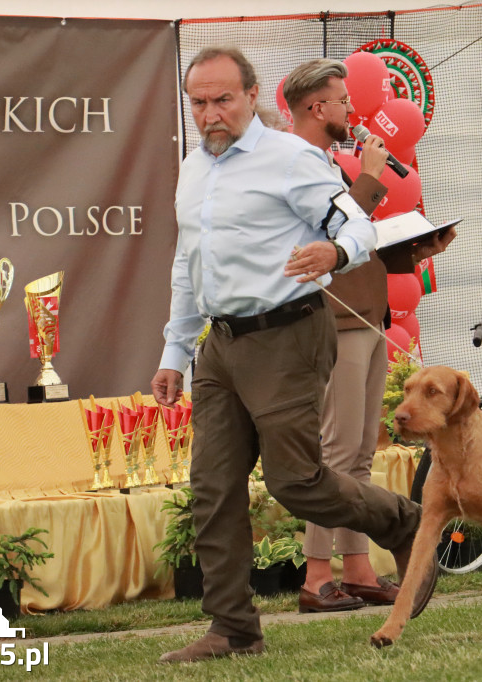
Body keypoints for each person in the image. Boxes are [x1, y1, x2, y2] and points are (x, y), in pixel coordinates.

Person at [150, 46, 438, 664]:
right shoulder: (191, 169)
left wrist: (335, 255)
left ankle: (404, 522)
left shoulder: (292, 158)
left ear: (252, 96)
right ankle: (233, 630)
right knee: (213, 489)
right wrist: (175, 350)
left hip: (288, 334)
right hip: (220, 346)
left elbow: (354, 226)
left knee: (296, 481)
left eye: (223, 99)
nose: (210, 115)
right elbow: (187, 264)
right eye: (198, 103)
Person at [282, 58, 456, 614]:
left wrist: (413, 248)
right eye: (342, 100)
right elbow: (323, 233)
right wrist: (374, 177)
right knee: (333, 455)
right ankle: (315, 575)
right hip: (331, 321)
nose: (353, 110)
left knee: (358, 452)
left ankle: (355, 567)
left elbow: (354, 240)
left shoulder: (332, 161)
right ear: (317, 108)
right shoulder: (291, 163)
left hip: (366, 316)